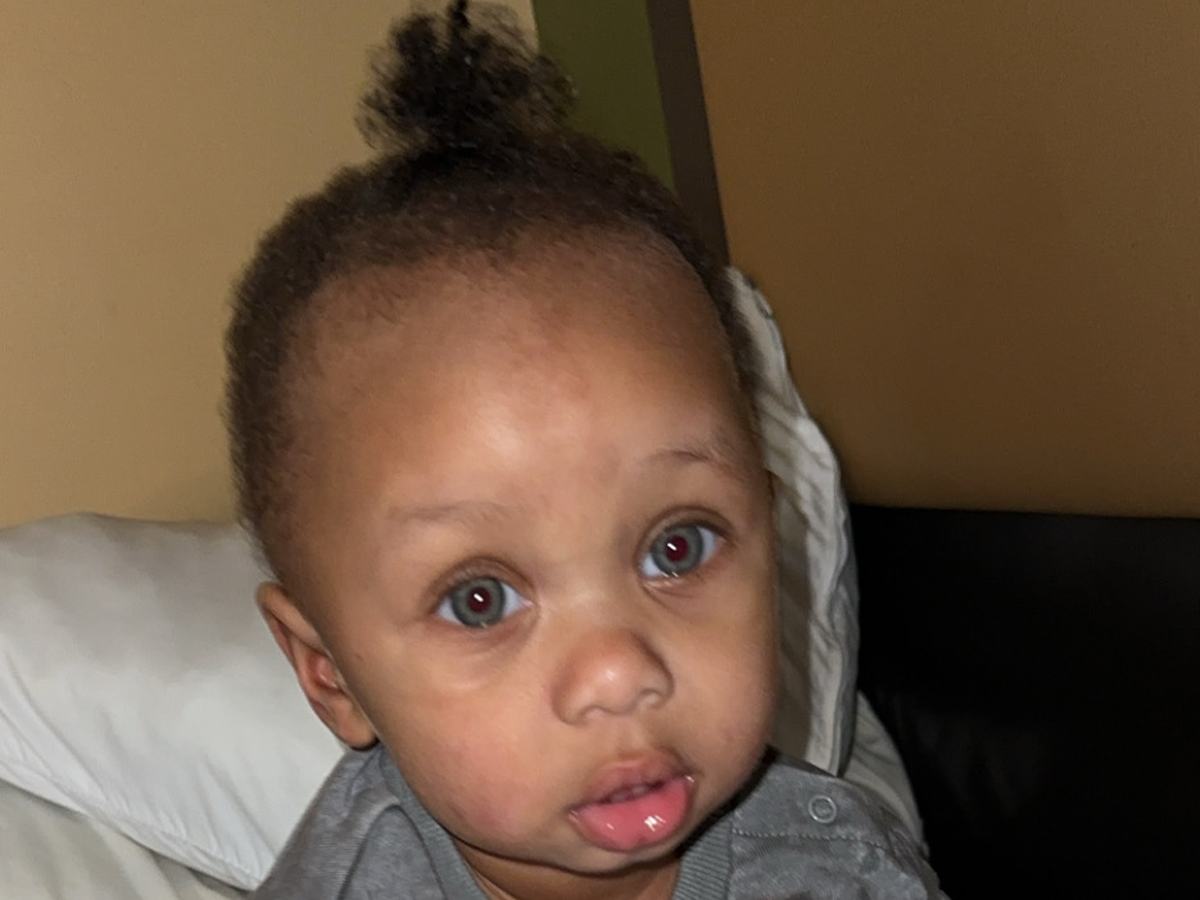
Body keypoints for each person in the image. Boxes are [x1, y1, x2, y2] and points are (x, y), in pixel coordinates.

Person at [227, 2, 944, 897]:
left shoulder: (838, 868)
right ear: (329, 674)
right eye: (480, 601)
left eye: (677, 547)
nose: (618, 672)